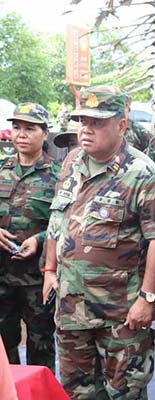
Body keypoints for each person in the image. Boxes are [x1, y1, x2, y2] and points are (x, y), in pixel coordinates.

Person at [43, 85, 155, 399]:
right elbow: (58, 219)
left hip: (120, 314)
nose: (86, 128)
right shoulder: (72, 162)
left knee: (125, 393)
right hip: (71, 308)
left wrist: (147, 298)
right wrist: (50, 270)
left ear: (121, 125)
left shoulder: (143, 173)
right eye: (83, 121)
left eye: (97, 122)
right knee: (77, 393)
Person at [0, 103, 58, 371]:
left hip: (38, 279)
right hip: (3, 277)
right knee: (4, 352)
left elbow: (66, 222)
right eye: (17, 127)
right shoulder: (2, 169)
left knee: (40, 349)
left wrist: (40, 239)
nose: (21, 134)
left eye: (30, 128)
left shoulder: (59, 175)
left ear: (45, 133)